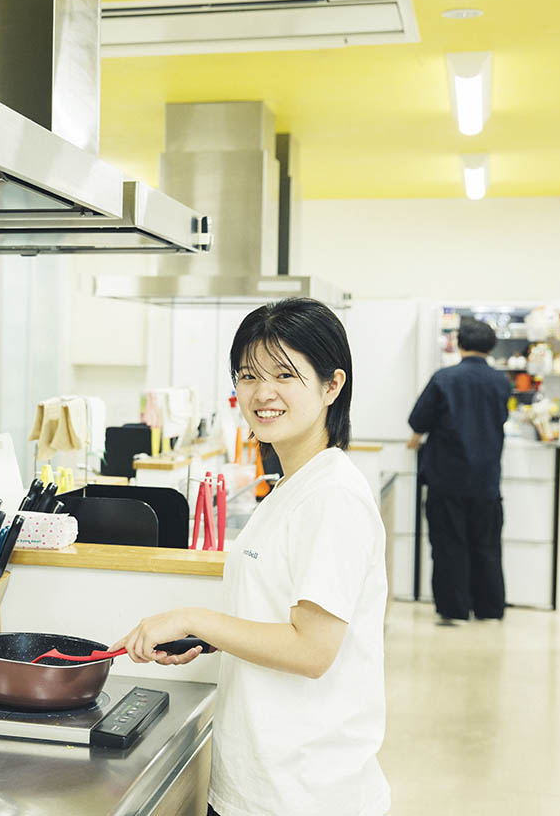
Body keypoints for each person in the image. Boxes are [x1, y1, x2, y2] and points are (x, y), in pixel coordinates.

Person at [114, 298, 390, 816]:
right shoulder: (293, 484)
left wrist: (195, 617)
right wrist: (207, 636)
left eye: (285, 375)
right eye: (247, 375)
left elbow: (312, 651)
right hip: (265, 785)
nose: (263, 394)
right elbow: (281, 616)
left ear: (332, 385)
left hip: (307, 795)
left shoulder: (332, 496)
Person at [407, 317, 512, 624]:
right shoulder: (501, 382)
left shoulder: (444, 378)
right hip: (487, 480)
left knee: (449, 545)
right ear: (490, 347)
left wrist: (415, 441)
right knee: (487, 546)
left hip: (447, 478)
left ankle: (454, 611)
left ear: (460, 343)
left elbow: (418, 421)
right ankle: (489, 609)